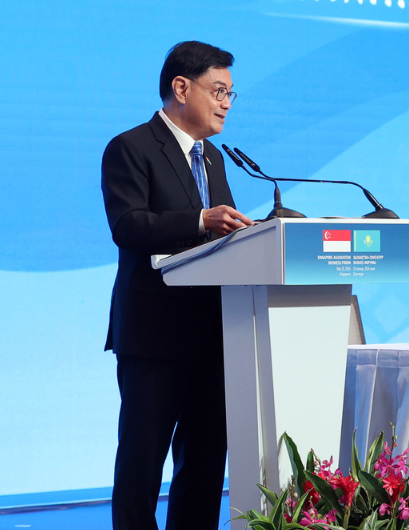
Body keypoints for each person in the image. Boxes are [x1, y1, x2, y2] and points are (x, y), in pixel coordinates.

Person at [102, 41, 253, 530]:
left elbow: (219, 238)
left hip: (213, 334)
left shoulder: (214, 159)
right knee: (143, 466)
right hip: (154, 336)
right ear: (181, 87)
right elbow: (128, 226)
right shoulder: (131, 147)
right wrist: (201, 219)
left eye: (231, 93)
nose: (227, 102)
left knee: (206, 464)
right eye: (219, 90)